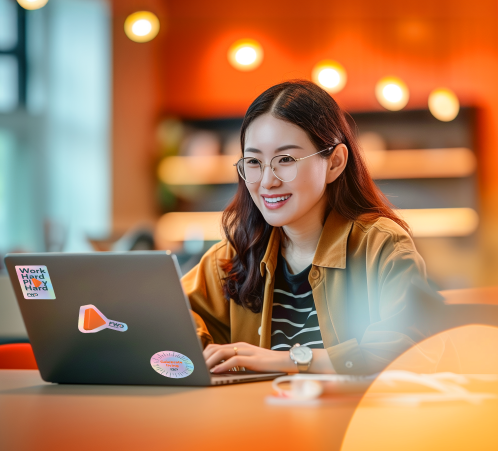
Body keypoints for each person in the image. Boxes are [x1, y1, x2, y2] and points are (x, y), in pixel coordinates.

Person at [181, 79, 443, 376]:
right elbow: (168, 316)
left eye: (286, 159)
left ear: (335, 162)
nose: (267, 181)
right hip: (255, 420)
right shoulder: (233, 256)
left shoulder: (382, 245)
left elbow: (408, 352)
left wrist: (285, 360)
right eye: (254, 161)